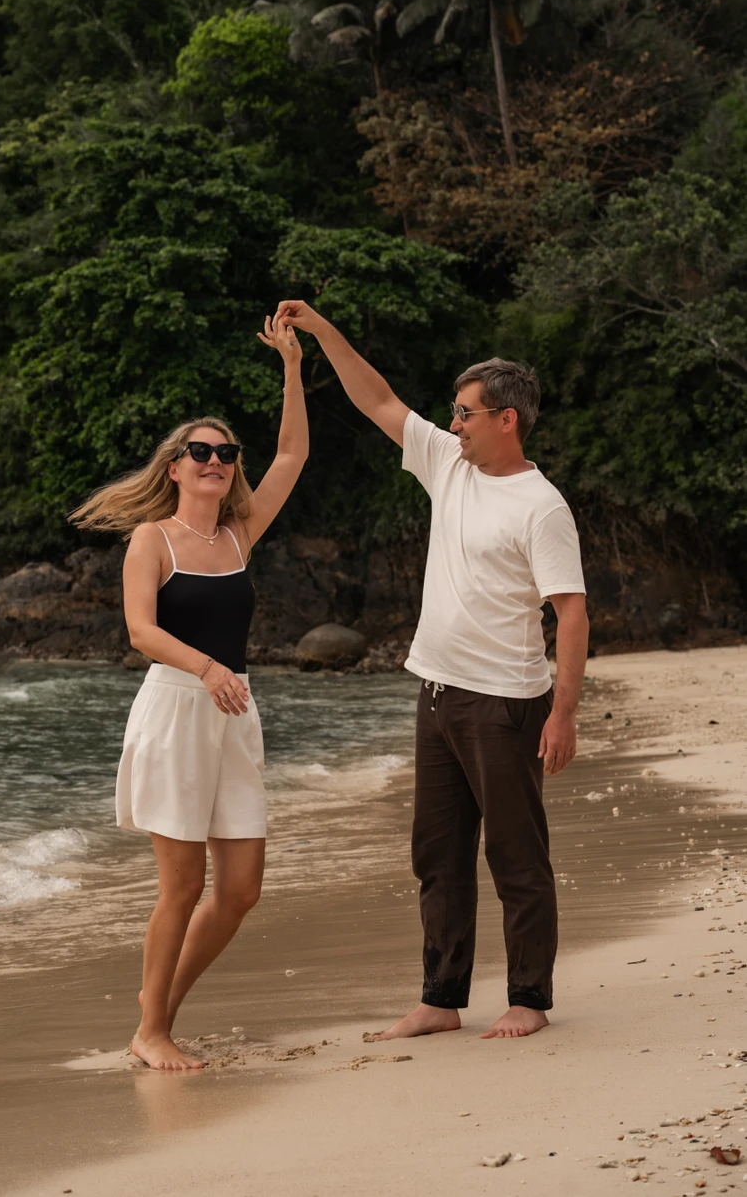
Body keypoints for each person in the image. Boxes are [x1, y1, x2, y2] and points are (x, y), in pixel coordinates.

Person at [274, 298, 589, 1041]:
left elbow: (572, 613)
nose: (454, 423)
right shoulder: (449, 463)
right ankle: (441, 999)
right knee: (438, 855)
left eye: (466, 413)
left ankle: (528, 998)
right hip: (439, 694)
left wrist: (563, 713)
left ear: (506, 419)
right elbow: (378, 399)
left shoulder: (541, 507)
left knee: (516, 856)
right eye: (454, 413)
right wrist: (322, 331)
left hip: (506, 702)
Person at [69, 314, 307, 1070]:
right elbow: (140, 630)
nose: (215, 461)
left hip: (233, 713)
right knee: (182, 887)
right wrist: (206, 668)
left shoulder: (239, 534)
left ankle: (155, 1017)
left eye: (225, 453)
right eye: (199, 452)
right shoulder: (153, 540)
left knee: (240, 889)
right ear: (173, 468)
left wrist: (292, 367)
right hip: (177, 708)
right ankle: (152, 1032)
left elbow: (293, 453)